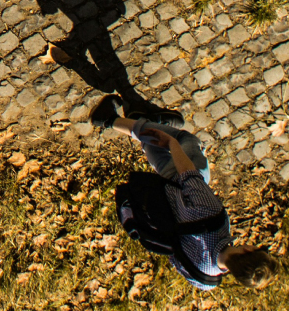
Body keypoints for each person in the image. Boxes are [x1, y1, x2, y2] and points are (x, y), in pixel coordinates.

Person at [95, 95, 278, 290]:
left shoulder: (213, 219)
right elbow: (176, 258)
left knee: (184, 140)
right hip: (165, 205)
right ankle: (146, 121)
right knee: (160, 153)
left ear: (248, 250)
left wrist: (172, 144)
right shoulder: (206, 280)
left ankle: (109, 119)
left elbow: (189, 177)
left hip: (178, 182)